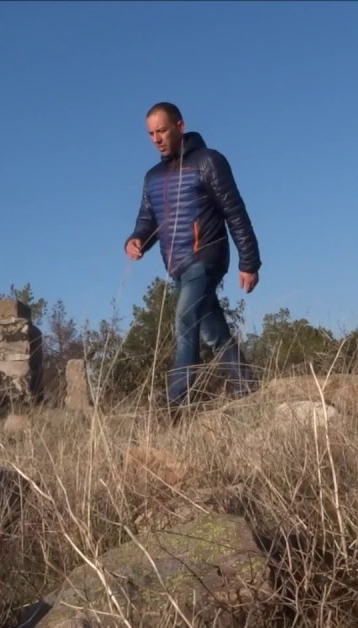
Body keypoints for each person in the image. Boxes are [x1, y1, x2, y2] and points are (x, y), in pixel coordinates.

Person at [124, 101, 262, 417]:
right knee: (213, 332)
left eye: (161, 131)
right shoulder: (152, 177)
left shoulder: (209, 161)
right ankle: (248, 388)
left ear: (180, 127)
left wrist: (249, 262)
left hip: (207, 255)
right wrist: (136, 241)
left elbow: (235, 213)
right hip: (176, 265)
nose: (156, 139)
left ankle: (176, 408)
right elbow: (148, 220)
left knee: (184, 321)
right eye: (150, 134)